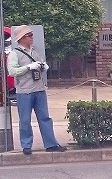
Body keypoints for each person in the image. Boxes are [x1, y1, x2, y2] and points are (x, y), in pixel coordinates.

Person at [6, 25, 67, 155]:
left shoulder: (35, 51)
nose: (32, 38)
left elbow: (40, 63)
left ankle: (51, 144)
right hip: (24, 91)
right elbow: (12, 71)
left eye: (32, 35)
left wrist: (43, 66)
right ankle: (26, 145)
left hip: (39, 89)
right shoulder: (14, 54)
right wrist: (28, 67)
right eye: (29, 35)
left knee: (45, 118)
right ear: (21, 38)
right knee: (25, 119)